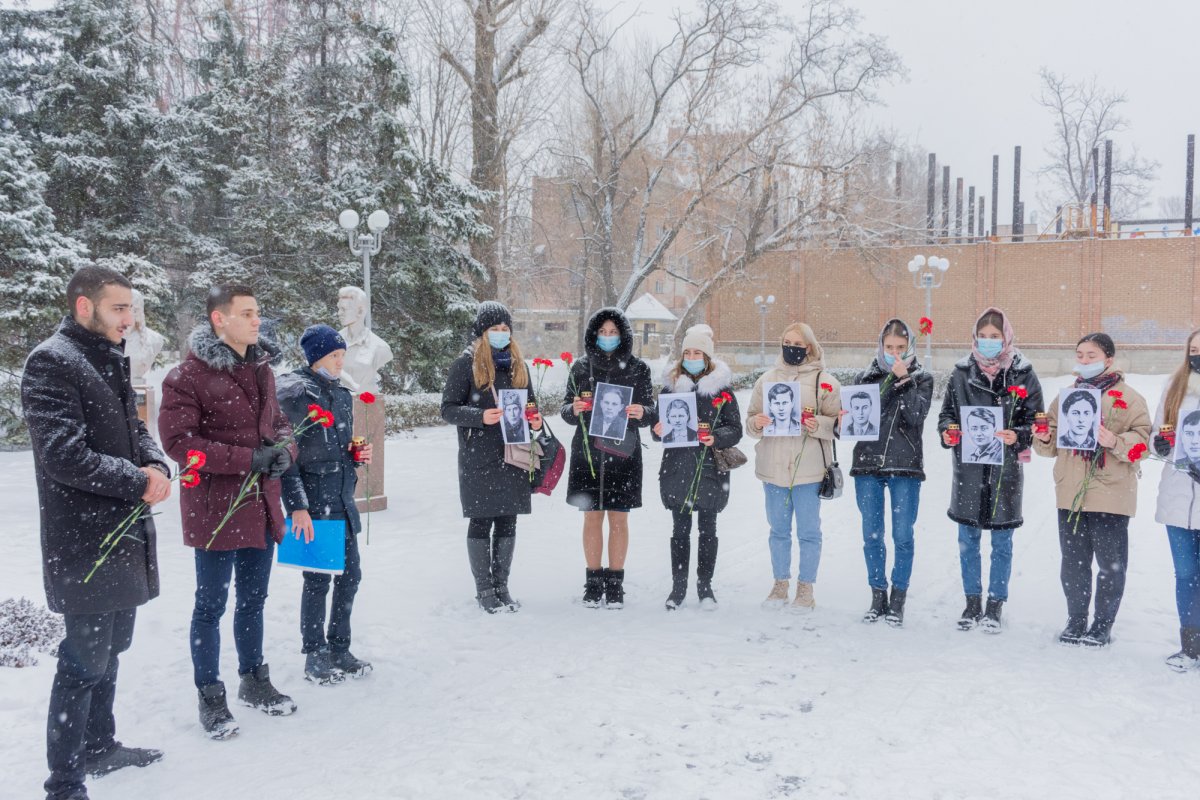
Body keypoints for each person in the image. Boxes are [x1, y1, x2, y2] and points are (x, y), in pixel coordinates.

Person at [23, 266, 170, 800]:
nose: (129, 320)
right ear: (84, 307)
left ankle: (100, 745)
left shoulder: (108, 356)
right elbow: (63, 456)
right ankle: (64, 782)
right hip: (82, 541)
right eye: (119, 309)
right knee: (83, 660)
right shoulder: (51, 362)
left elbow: (135, 432)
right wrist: (139, 481)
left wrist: (156, 466)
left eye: (130, 308)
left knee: (112, 650)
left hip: (122, 532)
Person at [159, 285, 298, 739]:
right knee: (211, 604)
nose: (258, 321)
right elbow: (179, 444)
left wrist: (282, 452)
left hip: (260, 503)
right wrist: (245, 460)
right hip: (215, 508)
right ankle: (210, 695)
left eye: (258, 312)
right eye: (247, 313)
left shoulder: (263, 370)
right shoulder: (186, 377)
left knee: (254, 600)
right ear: (219, 319)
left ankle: (254, 679)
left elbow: (279, 424)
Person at [1032, 334, 1150, 647]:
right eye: (1080, 354)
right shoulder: (1066, 397)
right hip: (1070, 492)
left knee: (1110, 564)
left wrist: (1116, 442)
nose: (1084, 361)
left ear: (1108, 359)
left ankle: (1101, 625)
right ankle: (1076, 619)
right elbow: (1051, 445)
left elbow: (1144, 443)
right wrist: (1043, 437)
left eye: (1091, 355)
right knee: (1073, 562)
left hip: (1111, 493)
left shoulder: (1130, 397)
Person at [277, 324, 375, 682]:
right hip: (314, 503)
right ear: (317, 356)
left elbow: (338, 443)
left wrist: (354, 454)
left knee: (351, 576)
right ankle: (314, 652)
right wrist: (297, 505)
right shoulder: (294, 394)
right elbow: (285, 456)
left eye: (342, 355)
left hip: (342, 499)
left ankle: (340, 646)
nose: (340, 362)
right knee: (318, 580)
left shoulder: (341, 395)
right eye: (335, 356)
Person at [938, 307, 1043, 633]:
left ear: (1006, 337)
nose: (988, 342)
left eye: (994, 337)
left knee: (1002, 543)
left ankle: (995, 605)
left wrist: (1019, 435)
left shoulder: (1023, 374)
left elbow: (1037, 421)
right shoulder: (960, 372)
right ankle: (972, 602)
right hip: (969, 470)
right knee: (967, 540)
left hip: (1005, 472)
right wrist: (948, 432)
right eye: (982, 337)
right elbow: (947, 415)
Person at [441, 302, 544, 613]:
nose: (500, 334)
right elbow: (448, 408)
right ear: (481, 333)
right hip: (479, 457)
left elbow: (530, 406)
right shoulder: (466, 365)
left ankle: (502, 584)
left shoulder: (517, 366)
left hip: (514, 455)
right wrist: (480, 416)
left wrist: (535, 420)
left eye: (505, 329)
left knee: (508, 519)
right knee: (481, 519)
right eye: (494, 329)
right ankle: (484, 588)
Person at [561, 308, 656, 609]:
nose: (607, 337)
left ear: (623, 335)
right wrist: (573, 409)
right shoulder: (580, 368)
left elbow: (650, 411)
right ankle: (592, 580)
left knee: (619, 518)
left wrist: (643, 413)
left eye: (613, 332)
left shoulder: (638, 369)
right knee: (591, 517)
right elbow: (566, 411)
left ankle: (615, 583)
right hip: (587, 454)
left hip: (623, 454)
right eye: (602, 332)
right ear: (593, 334)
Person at [745, 323, 841, 611]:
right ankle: (780, 584)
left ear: (809, 347)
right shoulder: (767, 380)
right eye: (786, 342)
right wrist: (756, 423)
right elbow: (750, 422)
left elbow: (839, 424)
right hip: (773, 469)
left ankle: (805, 588)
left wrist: (819, 425)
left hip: (809, 472)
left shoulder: (825, 382)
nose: (791, 348)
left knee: (809, 532)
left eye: (797, 343)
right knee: (778, 530)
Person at [848, 319, 934, 627]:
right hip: (867, 465)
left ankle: (898, 599)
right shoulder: (865, 377)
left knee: (902, 535)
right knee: (872, 535)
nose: (894, 353)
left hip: (904, 466)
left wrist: (904, 380)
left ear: (910, 346)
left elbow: (916, 415)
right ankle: (877, 595)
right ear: (880, 347)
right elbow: (857, 422)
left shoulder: (921, 378)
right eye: (889, 348)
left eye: (900, 347)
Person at [652, 325, 742, 609]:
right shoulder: (670, 387)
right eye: (687, 352)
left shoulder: (721, 391)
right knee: (679, 530)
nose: (691, 356)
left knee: (708, 529)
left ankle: (705, 587)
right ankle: (678, 588)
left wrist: (716, 437)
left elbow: (735, 429)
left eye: (698, 352)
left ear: (707, 357)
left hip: (710, 470)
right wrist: (657, 429)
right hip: (678, 468)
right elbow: (659, 427)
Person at [1150, 328, 1200, 670]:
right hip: (1179, 497)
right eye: (1193, 348)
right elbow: (1158, 433)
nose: (1196, 354)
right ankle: (1190, 645)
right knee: (1186, 574)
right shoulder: (1174, 387)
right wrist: (1162, 445)